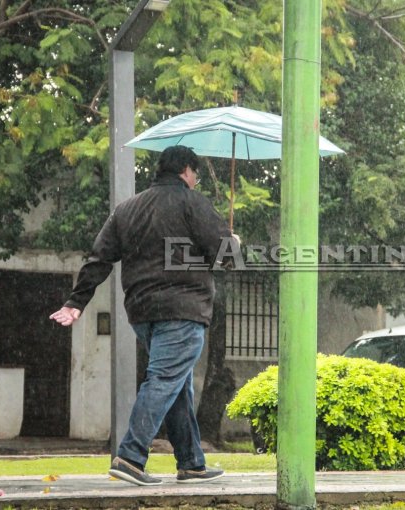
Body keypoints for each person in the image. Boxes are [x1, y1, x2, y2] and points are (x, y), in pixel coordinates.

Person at [50, 145, 239, 486]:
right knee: (164, 381)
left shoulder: (127, 209)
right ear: (186, 170)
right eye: (195, 174)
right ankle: (131, 457)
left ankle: (192, 463)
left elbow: (99, 258)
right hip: (183, 310)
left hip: (142, 312)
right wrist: (233, 241)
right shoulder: (193, 204)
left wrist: (76, 302)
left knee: (176, 385)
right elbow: (228, 258)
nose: (195, 180)